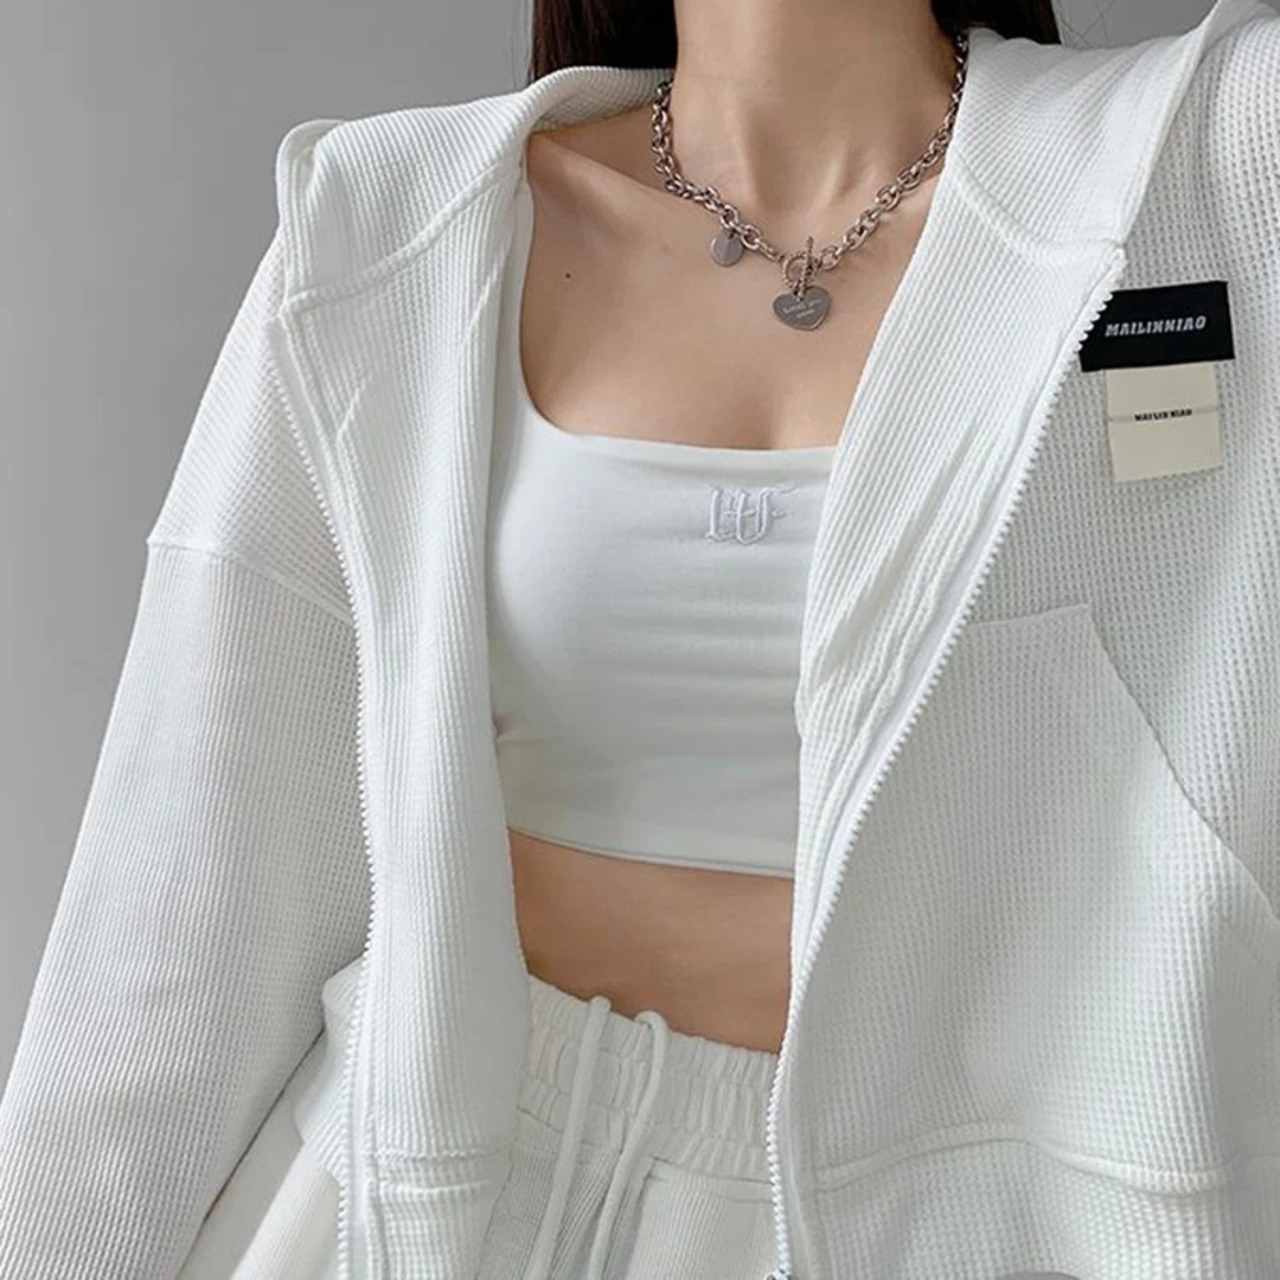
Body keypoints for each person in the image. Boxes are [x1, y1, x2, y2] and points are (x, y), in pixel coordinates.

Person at [2, 0, 1279, 1275]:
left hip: (1001, 1217)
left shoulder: (1214, 167)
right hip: (434, 1201)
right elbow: (173, 922)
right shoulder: (395, 226)